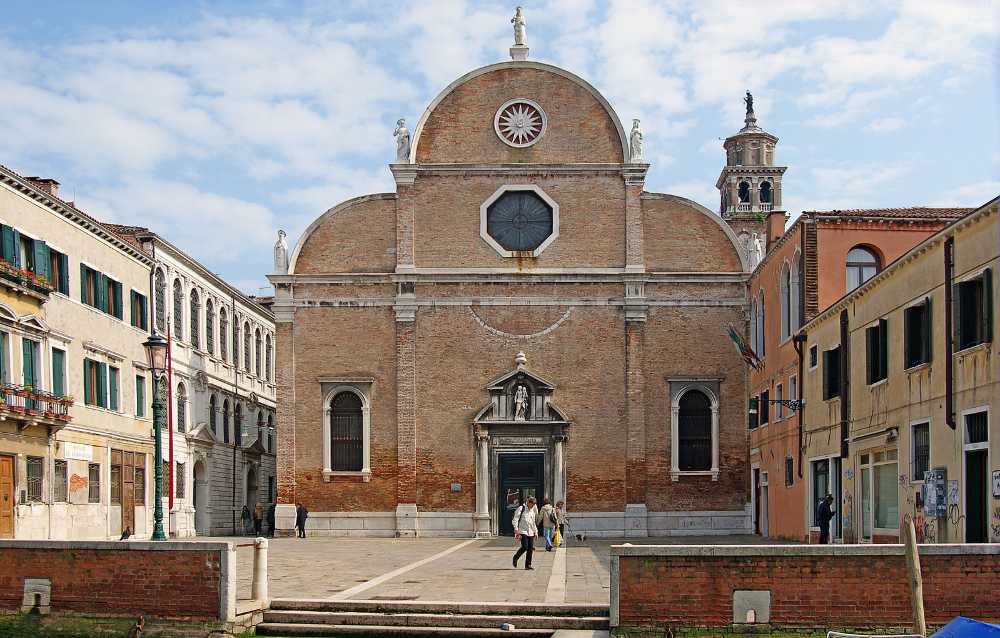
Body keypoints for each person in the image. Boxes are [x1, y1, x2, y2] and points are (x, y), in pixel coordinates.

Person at [512, 496, 538, 570]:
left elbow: (533, 523)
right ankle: (516, 557)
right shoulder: (521, 508)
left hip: (531, 532)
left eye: (534, 505)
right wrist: (516, 529)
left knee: (530, 548)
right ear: (528, 502)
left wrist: (536, 532)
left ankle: (528, 565)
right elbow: (515, 519)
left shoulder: (532, 511)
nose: (533, 506)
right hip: (522, 531)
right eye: (532, 504)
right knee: (525, 547)